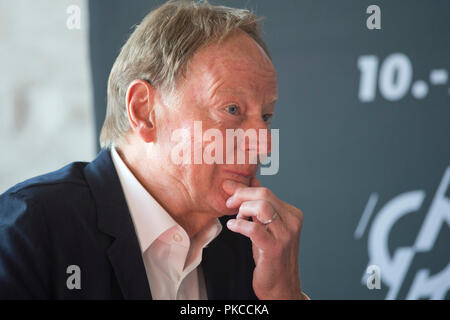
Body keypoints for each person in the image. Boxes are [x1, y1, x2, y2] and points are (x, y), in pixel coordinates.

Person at [0, 0, 308, 300]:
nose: (265, 144)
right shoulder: (27, 230)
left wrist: (285, 297)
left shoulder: (249, 244)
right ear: (145, 111)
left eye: (266, 116)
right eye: (231, 109)